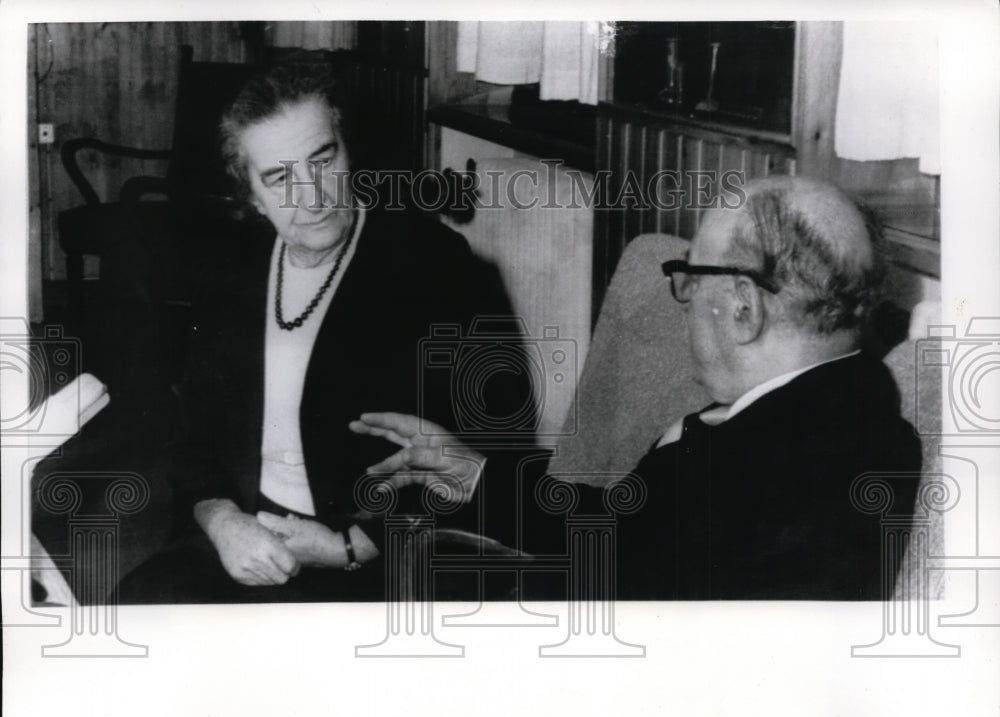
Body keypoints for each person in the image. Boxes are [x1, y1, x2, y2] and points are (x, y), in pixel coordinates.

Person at [351, 175, 922, 600]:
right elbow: (630, 528)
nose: (686, 299)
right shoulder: (833, 406)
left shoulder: (776, 468)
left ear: (744, 309)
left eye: (692, 278)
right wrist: (475, 475)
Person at [119, 59, 532, 602]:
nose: (311, 197)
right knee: (141, 607)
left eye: (322, 158)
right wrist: (222, 520)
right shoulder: (227, 269)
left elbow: (481, 447)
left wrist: (353, 545)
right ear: (250, 193)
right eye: (278, 177)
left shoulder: (431, 264)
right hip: (249, 539)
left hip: (381, 553)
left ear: (347, 147)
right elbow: (193, 433)